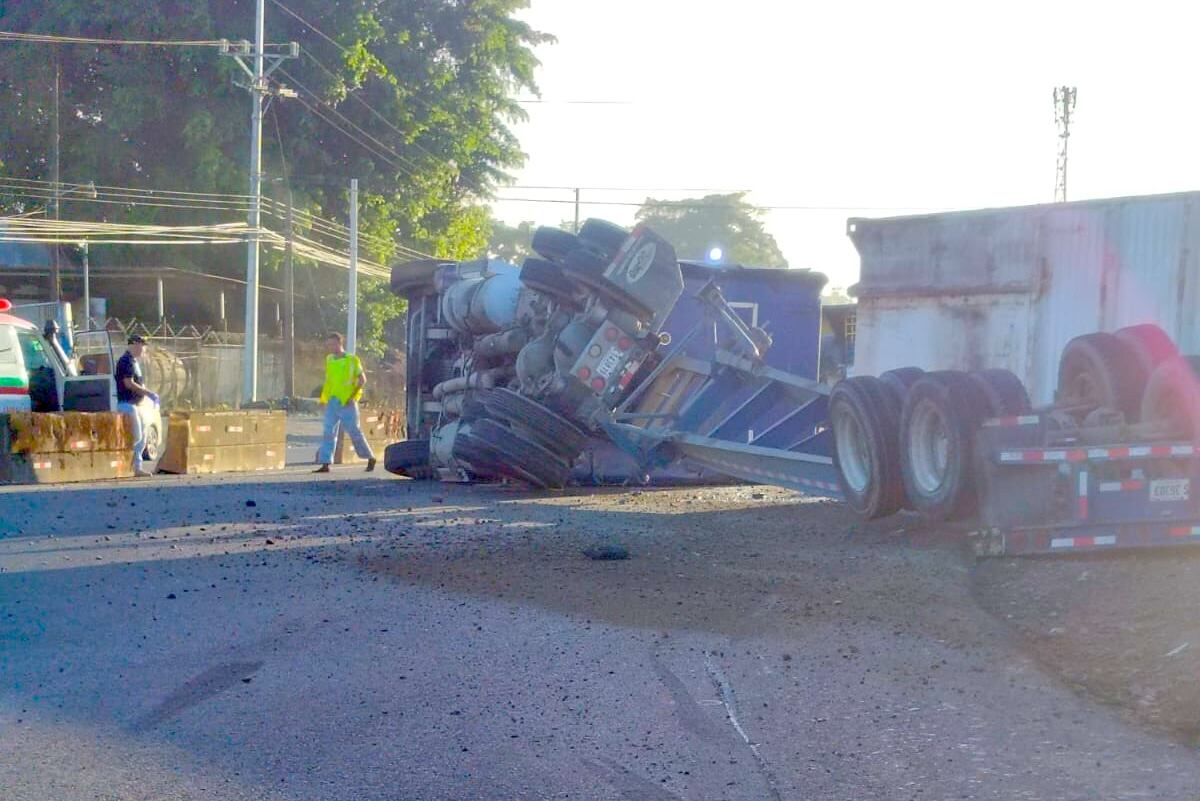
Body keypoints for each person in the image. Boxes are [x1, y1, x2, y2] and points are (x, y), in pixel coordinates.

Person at [314, 332, 376, 473]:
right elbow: (329, 380)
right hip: (333, 400)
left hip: (347, 402)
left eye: (333, 344)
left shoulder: (352, 360)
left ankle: (370, 457)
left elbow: (362, 379)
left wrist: (353, 396)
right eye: (328, 344)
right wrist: (324, 398)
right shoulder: (329, 359)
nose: (330, 347)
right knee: (328, 431)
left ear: (339, 343)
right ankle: (325, 463)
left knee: (354, 431)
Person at [114, 334, 159, 477]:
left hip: (136, 405)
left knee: (143, 436)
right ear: (133, 344)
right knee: (137, 437)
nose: (143, 349)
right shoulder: (125, 361)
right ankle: (131, 467)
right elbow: (128, 384)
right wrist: (148, 393)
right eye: (141, 345)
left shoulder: (133, 361)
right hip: (127, 405)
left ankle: (137, 468)